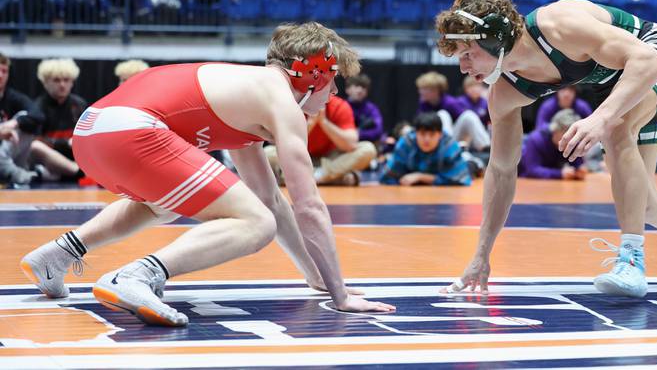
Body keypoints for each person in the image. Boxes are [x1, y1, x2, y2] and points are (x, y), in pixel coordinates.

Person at [20, 22, 395, 327]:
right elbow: (308, 206)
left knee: (167, 204)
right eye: (332, 82)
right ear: (312, 74)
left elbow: (273, 200)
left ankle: (56, 255)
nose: (332, 94)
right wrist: (340, 294)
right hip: (130, 130)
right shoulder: (281, 102)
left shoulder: (247, 100)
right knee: (255, 224)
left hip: (91, 134)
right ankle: (136, 276)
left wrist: (316, 277)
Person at [435, 0, 657, 298]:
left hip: (651, 51)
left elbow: (647, 60)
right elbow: (502, 170)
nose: (463, 68)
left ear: (495, 37)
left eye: (467, 54)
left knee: (615, 127)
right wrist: (481, 253)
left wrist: (600, 119)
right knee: (643, 204)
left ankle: (631, 262)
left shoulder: (557, 25)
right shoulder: (505, 94)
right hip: (612, 83)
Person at [264, 94, 377, 186]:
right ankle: (336, 178)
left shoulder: (339, 105)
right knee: (268, 153)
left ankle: (307, 177)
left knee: (368, 149)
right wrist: (310, 123)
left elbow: (351, 144)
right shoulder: (294, 103)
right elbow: (277, 141)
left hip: (332, 158)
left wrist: (324, 122)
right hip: (301, 156)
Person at [380, 112, 471, 186]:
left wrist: (421, 177)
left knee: (471, 163)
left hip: (467, 163)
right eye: (422, 134)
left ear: (440, 134)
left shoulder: (450, 146)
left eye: (432, 135)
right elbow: (388, 176)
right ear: (415, 133)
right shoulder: (406, 143)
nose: (427, 140)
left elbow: (461, 179)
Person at [33, 58, 85, 177]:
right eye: (56, 80)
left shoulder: (79, 105)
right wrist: (66, 143)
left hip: (76, 156)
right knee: (35, 147)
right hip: (51, 160)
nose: (62, 85)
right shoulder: (38, 106)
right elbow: (36, 141)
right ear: (45, 83)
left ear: (72, 82)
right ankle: (78, 172)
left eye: (66, 80)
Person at [0, 52, 46, 186]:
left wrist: (14, 123)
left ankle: (17, 173)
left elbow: (38, 115)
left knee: (24, 117)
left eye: (4, 71)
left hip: (9, 154)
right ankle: (20, 175)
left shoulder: (12, 96)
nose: (0, 75)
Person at [416, 71, 490, 152]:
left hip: (454, 139)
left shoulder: (450, 103)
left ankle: (486, 148)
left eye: (425, 89)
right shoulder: (423, 104)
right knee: (441, 115)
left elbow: (465, 122)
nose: (420, 91)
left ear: (435, 90)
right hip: (432, 141)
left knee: (465, 115)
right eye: (421, 89)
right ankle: (445, 149)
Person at [518, 109, 586, 180]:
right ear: (555, 129)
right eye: (566, 133)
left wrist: (580, 170)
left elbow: (578, 165)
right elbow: (532, 170)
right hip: (529, 183)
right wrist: (560, 173)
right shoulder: (535, 139)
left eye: (573, 134)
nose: (570, 139)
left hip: (558, 185)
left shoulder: (572, 143)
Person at [345, 74, 384, 144]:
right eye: (356, 86)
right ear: (347, 89)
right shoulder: (341, 106)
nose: (360, 90)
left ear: (367, 92)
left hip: (364, 144)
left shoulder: (372, 108)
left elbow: (378, 130)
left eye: (363, 87)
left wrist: (358, 133)